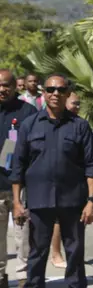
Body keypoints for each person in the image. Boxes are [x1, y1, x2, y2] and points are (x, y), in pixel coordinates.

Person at [10, 74, 93, 288]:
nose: (55, 94)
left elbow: (91, 165)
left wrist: (92, 200)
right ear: (44, 93)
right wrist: (16, 202)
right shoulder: (29, 125)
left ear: (68, 94)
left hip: (73, 200)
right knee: (37, 251)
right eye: (50, 90)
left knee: (75, 252)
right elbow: (18, 165)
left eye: (60, 90)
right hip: (39, 200)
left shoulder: (80, 126)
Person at [0, 70, 37, 288]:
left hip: (20, 186)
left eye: (6, 85)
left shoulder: (28, 112)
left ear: (16, 86)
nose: (2, 89)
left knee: (23, 236)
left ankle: (24, 277)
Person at [47, 91, 83, 270]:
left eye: (78, 104)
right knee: (56, 221)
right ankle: (55, 253)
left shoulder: (79, 125)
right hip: (53, 184)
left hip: (73, 184)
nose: (77, 107)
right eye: (74, 103)